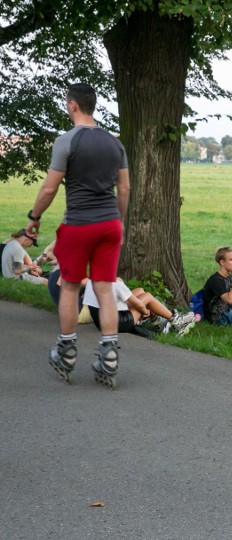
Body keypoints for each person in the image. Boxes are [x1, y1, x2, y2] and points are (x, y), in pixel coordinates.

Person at [25, 83, 131, 388]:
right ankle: (109, 353)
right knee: (104, 286)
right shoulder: (115, 144)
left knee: (70, 286)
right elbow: (124, 189)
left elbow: (49, 187)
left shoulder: (67, 141)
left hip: (79, 224)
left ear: (72, 105)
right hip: (109, 224)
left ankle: (66, 350)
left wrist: (34, 218)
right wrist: (118, 222)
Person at [83, 278, 197, 336]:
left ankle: (158, 321)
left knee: (139, 291)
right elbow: (140, 305)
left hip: (103, 322)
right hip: (120, 323)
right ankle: (176, 321)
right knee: (146, 297)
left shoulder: (91, 281)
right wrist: (144, 311)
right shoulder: (115, 283)